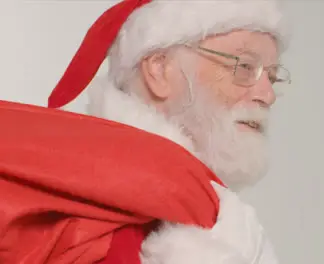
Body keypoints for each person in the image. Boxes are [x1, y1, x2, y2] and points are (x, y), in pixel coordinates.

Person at [5, 0, 291, 263]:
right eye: (244, 67)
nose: (267, 94)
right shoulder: (46, 191)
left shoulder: (225, 221)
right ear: (159, 69)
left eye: (272, 76)